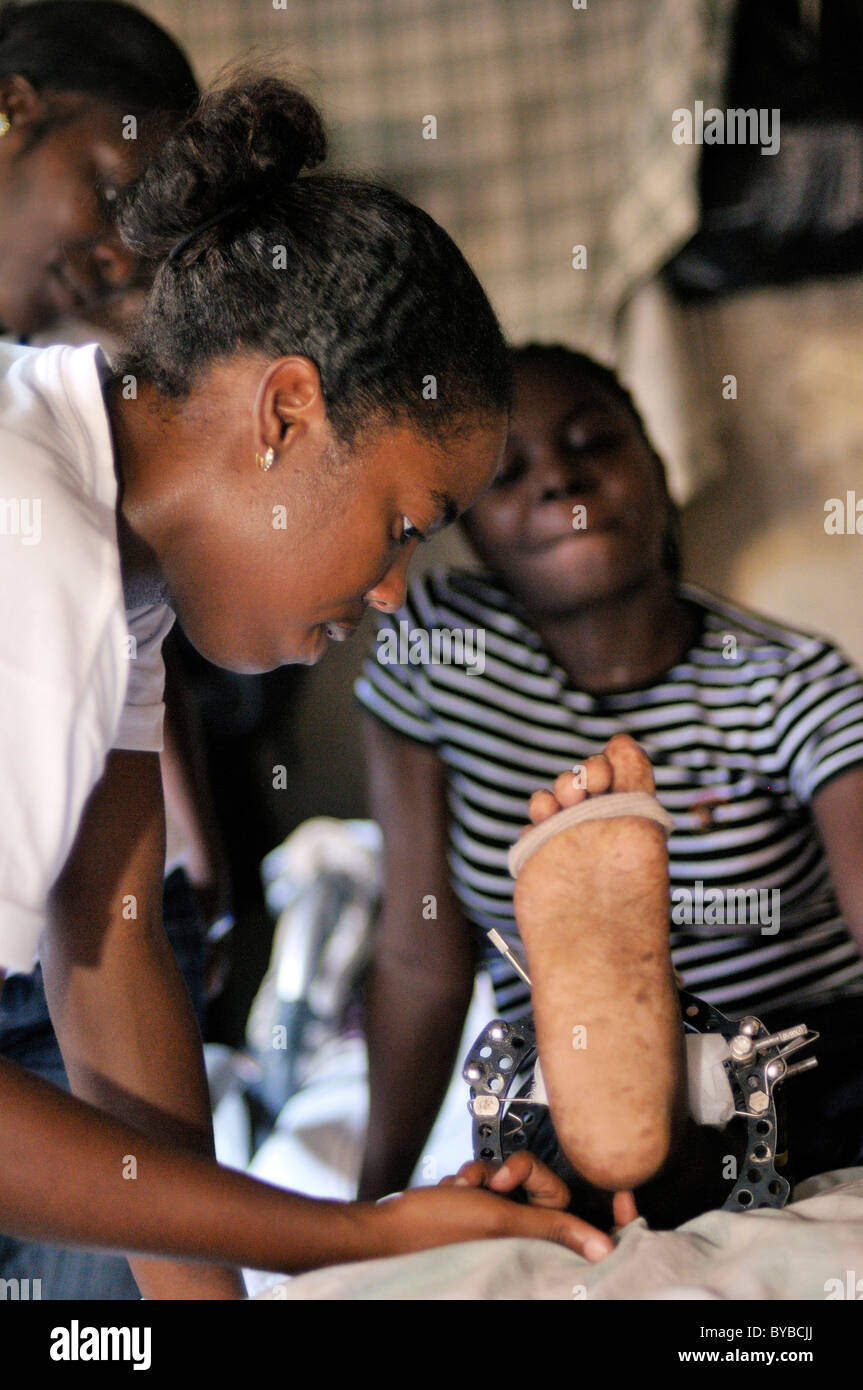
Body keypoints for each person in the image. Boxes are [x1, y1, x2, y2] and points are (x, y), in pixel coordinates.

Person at [0, 76, 632, 1297]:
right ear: (286, 409)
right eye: (403, 520)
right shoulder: (36, 552)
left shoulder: (113, 556)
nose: (392, 592)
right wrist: (348, 1235)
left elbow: (114, 959)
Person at [355, 343, 863, 1206]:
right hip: (566, 1076)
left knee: (732, 1095)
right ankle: (624, 1084)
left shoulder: (787, 680)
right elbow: (419, 952)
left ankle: (654, 1098)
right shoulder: (437, 649)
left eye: (593, 443)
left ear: (659, 471)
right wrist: (371, 1203)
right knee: (574, 1115)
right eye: (508, 473)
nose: (561, 483)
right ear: (466, 524)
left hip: (790, 1063)